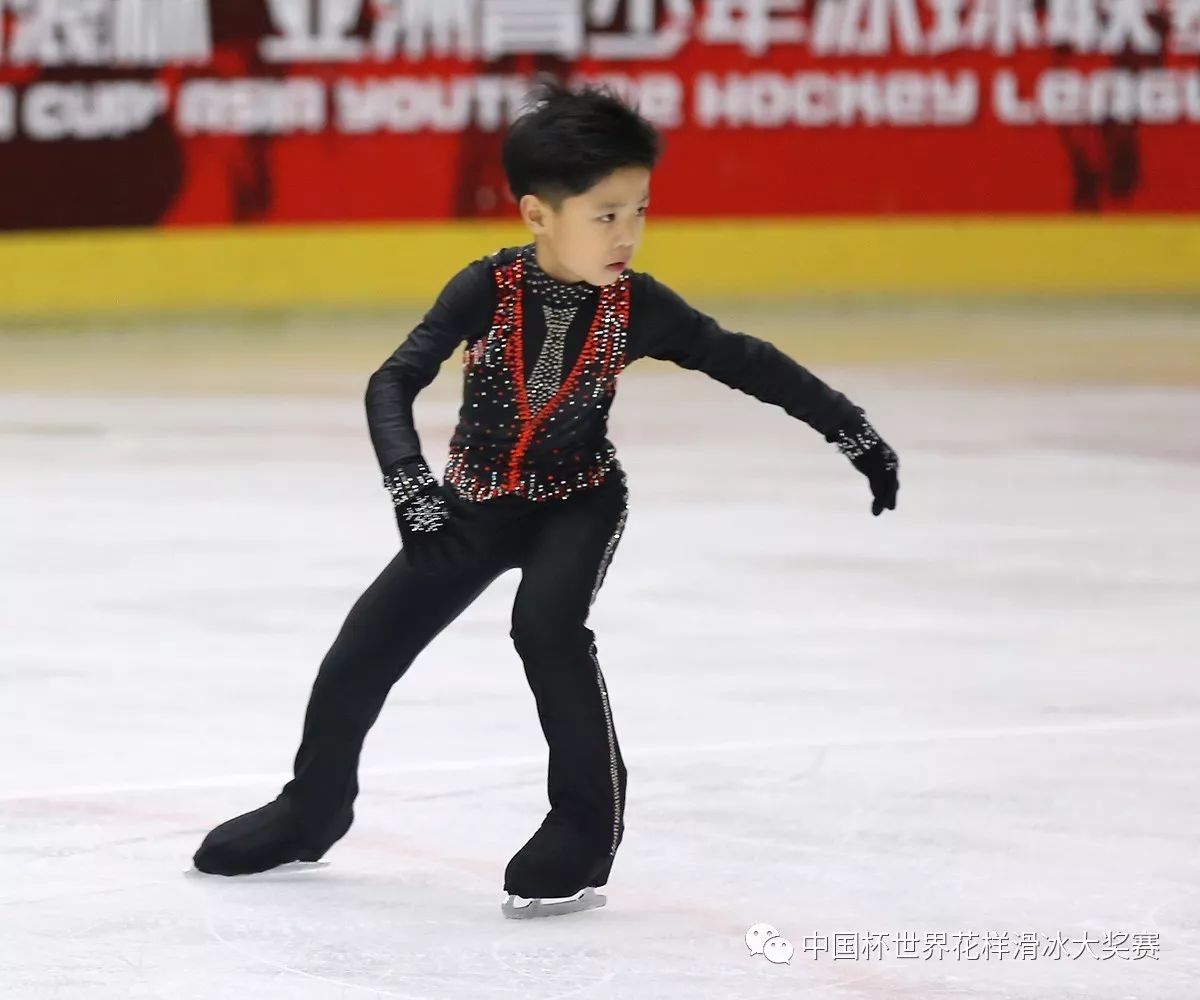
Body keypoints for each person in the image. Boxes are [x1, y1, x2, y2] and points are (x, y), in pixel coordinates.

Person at [191, 77, 900, 919]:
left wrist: (852, 432)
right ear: (537, 215)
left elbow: (748, 360)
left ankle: (582, 831)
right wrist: (411, 487)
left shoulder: (640, 308)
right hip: (473, 504)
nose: (628, 234)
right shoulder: (484, 290)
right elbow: (393, 382)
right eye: (606, 215)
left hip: (579, 501)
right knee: (365, 645)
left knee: (547, 630)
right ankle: (311, 809)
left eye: (640, 210)